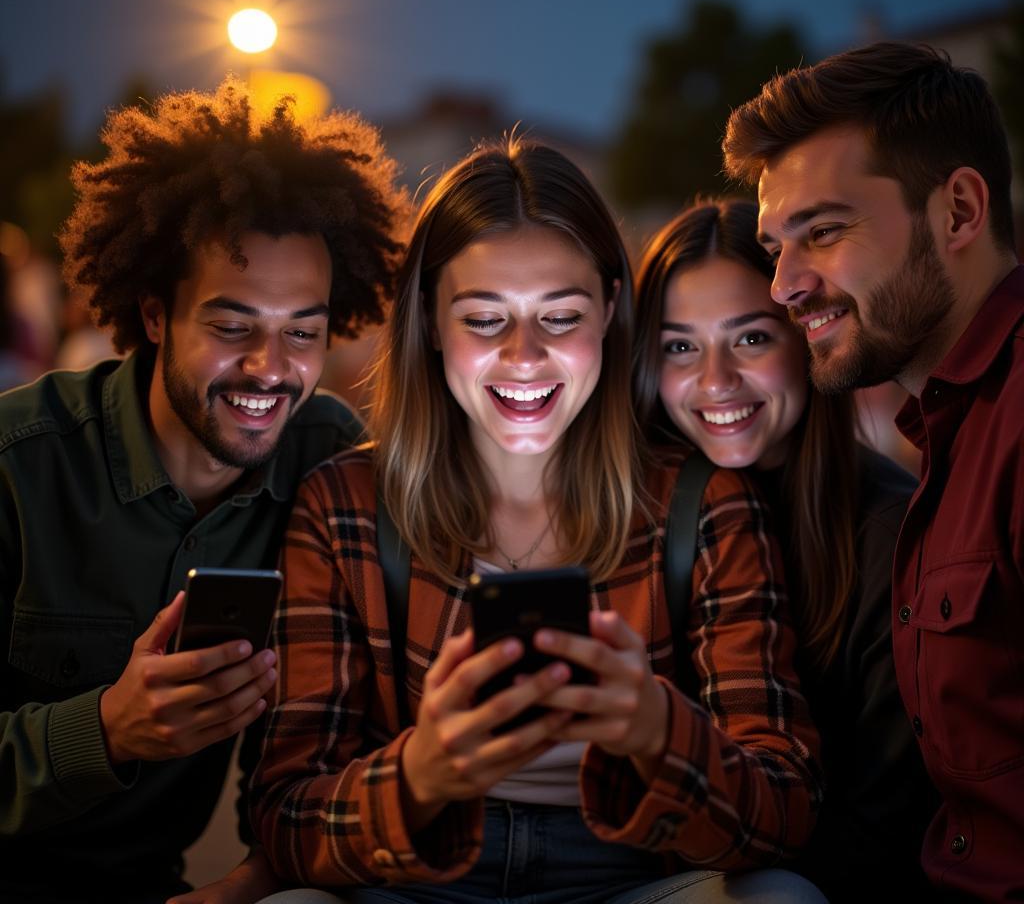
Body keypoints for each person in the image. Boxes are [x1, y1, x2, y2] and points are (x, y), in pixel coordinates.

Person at [250, 138, 826, 904]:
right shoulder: (344, 505)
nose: (525, 357)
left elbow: (785, 807)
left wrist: (658, 729)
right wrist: (420, 774)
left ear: (612, 309)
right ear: (428, 319)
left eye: (561, 316)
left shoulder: (700, 503)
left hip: (634, 870)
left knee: (782, 900)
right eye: (485, 319)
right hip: (420, 872)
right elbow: (283, 815)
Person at [0, 79, 408, 904]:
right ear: (155, 315)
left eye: (304, 331)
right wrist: (105, 728)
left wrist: (251, 883)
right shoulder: (17, 465)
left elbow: (323, 747)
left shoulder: (328, 460)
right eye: (232, 327)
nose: (270, 366)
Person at [722, 41, 1023, 902]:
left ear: (959, 211)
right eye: (775, 246)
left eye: (822, 232)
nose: (783, 285)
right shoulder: (948, 433)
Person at [633, 199, 938, 902]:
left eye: (750, 340)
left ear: (807, 340)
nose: (715, 380)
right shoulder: (628, 516)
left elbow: (887, 829)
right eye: (680, 346)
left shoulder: (891, 536)